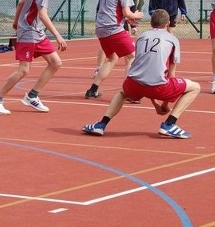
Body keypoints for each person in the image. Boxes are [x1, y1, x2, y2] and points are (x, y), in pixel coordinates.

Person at [82, 9, 200, 139]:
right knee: (195, 87)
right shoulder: (172, 40)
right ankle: (169, 124)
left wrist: (155, 104)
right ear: (167, 24)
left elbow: (145, 71)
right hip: (158, 86)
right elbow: (171, 75)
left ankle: (101, 124)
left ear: (150, 23)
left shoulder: (141, 37)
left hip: (134, 83)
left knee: (122, 92)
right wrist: (164, 104)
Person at [84, 0, 144, 99]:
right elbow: (127, 12)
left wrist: (129, 20)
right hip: (113, 28)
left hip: (101, 28)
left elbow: (112, 10)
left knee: (112, 58)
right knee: (132, 56)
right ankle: (129, 92)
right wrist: (137, 15)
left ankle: (93, 90)